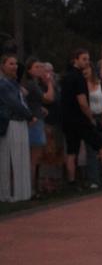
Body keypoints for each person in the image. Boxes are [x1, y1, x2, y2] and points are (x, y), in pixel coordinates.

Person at [60, 48, 102, 188]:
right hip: (80, 120)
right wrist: (91, 118)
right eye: (84, 59)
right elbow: (82, 102)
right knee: (101, 146)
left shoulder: (66, 77)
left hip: (68, 121)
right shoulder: (78, 77)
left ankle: (72, 182)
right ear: (76, 60)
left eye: (88, 59)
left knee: (71, 152)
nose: (87, 62)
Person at [0, 53, 33, 203]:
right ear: (3, 66)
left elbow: (21, 101)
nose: (15, 67)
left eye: (15, 64)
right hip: (11, 123)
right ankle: (7, 194)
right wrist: (30, 115)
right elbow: (14, 103)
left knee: (21, 158)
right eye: (10, 64)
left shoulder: (13, 83)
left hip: (20, 122)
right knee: (8, 159)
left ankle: (22, 193)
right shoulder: (3, 84)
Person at [21, 57, 55, 196]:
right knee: (33, 158)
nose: (40, 69)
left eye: (41, 66)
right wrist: (49, 83)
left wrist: (39, 107)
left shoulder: (29, 84)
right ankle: (32, 189)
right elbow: (49, 98)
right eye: (37, 67)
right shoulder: (32, 84)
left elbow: (29, 101)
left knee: (32, 158)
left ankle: (30, 188)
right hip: (35, 123)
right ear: (29, 70)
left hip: (33, 119)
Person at [81, 59, 102, 188]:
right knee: (92, 150)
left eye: (87, 68)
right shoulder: (81, 86)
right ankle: (94, 180)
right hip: (90, 118)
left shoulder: (101, 84)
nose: (85, 71)